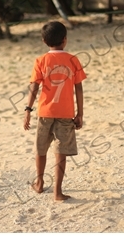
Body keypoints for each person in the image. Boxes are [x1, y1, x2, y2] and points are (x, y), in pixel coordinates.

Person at [23, 21, 87, 201]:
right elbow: (79, 89)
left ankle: (40, 183)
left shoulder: (41, 60)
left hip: (45, 112)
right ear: (65, 40)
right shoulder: (73, 60)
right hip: (66, 113)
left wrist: (28, 110)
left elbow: (34, 87)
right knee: (61, 151)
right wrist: (80, 113)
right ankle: (58, 192)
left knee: (40, 149)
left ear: (44, 41)